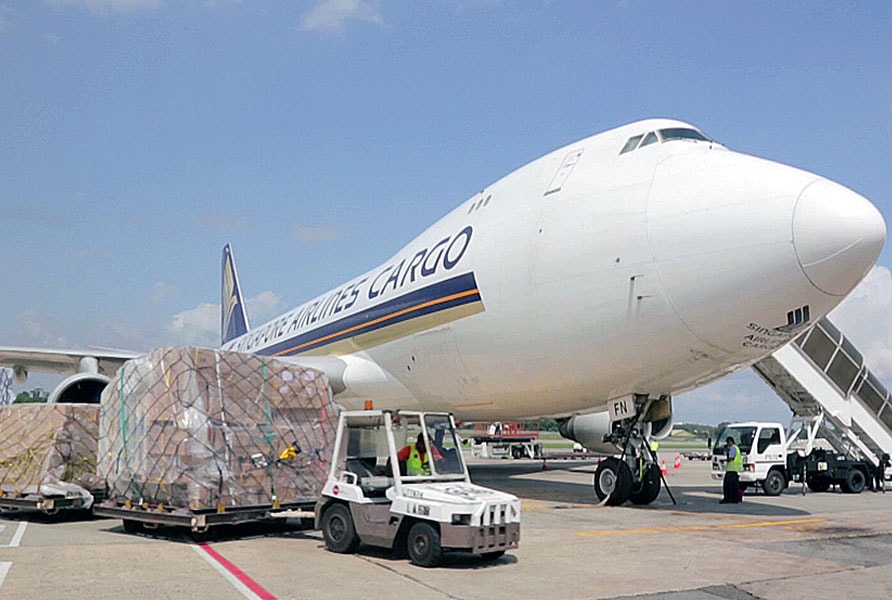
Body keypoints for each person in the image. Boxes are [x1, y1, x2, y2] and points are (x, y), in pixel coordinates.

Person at [721, 436, 743, 504]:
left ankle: (727, 499)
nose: (727, 444)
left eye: (728, 443)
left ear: (730, 442)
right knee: (734, 486)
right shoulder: (736, 448)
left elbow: (731, 458)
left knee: (727, 486)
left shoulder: (733, 448)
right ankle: (734, 499)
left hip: (731, 470)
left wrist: (724, 459)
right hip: (735, 470)